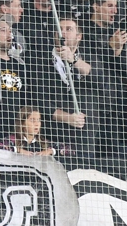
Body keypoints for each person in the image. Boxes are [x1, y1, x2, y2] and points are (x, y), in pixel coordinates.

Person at [33, 17, 104, 158]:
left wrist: (74, 60)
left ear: (79, 37)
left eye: (68, 29)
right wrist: (68, 118)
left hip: (85, 139)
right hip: (55, 136)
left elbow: (102, 82)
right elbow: (40, 100)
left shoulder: (90, 59)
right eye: (60, 29)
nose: (62, 33)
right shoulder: (41, 61)